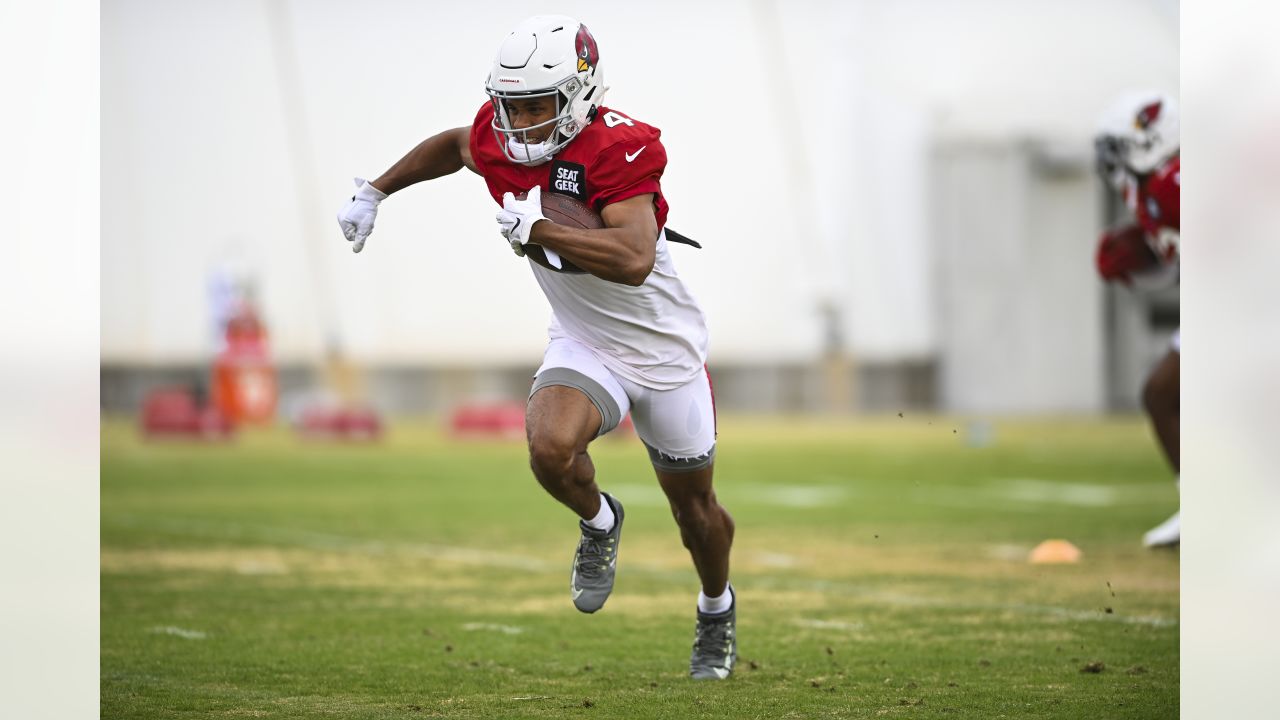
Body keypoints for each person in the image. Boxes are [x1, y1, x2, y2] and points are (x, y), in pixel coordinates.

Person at [336, 15, 737, 679]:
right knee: (549, 448)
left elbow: (635, 257)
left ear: (580, 94)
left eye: (534, 105)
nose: (518, 122)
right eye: (510, 105)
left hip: (664, 354)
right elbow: (457, 144)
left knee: (696, 513)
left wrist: (544, 229)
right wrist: (377, 189)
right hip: (585, 340)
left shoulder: (619, 147)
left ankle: (716, 608)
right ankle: (600, 520)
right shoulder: (498, 138)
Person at [1093, 91, 1180, 547]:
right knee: (1160, 393)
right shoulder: (1156, 189)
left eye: (1119, 147)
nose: (1114, 162)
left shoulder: (1174, 182)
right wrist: (1143, 257)